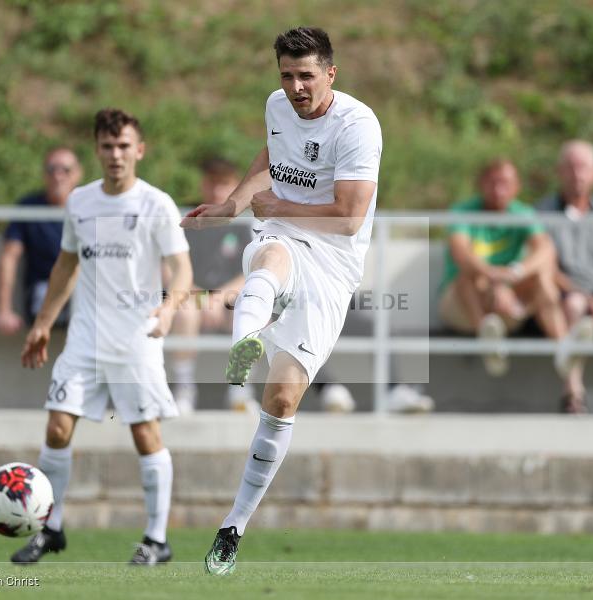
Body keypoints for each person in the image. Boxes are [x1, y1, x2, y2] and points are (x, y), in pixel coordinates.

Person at [182, 26, 382, 575]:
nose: (295, 87)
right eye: (287, 75)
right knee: (270, 261)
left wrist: (272, 204)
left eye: (306, 76)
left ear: (331, 74)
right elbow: (273, 152)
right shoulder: (277, 104)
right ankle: (244, 340)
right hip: (284, 236)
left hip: (335, 263)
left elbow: (348, 217)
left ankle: (233, 526)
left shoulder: (358, 125)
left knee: (282, 401)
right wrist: (233, 205)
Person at [13, 109, 192, 565]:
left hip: (137, 338)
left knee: (144, 433)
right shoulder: (80, 202)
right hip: (86, 338)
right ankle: (50, 528)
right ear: (97, 150)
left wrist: (170, 308)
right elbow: (66, 266)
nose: (116, 155)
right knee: (57, 426)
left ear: (139, 150)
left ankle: (157, 538)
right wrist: (42, 322)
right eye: (108, 147)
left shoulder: (156, 204)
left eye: (124, 146)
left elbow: (182, 268)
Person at [438, 159, 567, 377]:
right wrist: (496, 279)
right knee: (468, 277)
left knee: (543, 278)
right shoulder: (463, 211)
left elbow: (545, 250)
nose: (499, 190)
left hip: (505, 305)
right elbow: (461, 254)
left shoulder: (523, 213)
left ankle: (564, 349)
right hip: (464, 303)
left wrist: (513, 274)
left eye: (505, 183)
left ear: (517, 187)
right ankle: (487, 341)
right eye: (493, 183)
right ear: (481, 185)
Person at [537, 140, 593, 413]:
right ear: (559, 172)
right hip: (564, 293)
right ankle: (573, 392)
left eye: (584, 167)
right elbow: (547, 267)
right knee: (574, 304)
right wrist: (585, 298)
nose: (578, 174)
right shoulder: (541, 212)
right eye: (571, 167)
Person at [168, 157, 256, 413]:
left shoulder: (246, 224)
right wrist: (202, 298)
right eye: (213, 183)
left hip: (230, 299)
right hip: (192, 297)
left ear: (235, 186)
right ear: (204, 185)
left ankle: (240, 389)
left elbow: (253, 271)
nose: (218, 191)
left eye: (225, 183)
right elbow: (172, 267)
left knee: (249, 313)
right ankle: (184, 388)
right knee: (185, 312)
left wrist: (219, 298)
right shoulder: (188, 222)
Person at [0, 148, 83, 334]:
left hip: (86, 291)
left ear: (77, 173)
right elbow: (9, 256)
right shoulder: (29, 207)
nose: (58, 176)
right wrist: (3, 310)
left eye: (65, 170)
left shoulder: (91, 207)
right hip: (45, 292)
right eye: (52, 170)